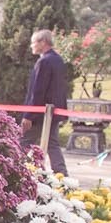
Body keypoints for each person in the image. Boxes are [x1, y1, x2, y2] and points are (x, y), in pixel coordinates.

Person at [22, 28, 69, 175]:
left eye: (34, 42)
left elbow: (38, 91)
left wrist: (28, 115)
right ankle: (61, 175)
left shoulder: (44, 62)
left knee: (22, 143)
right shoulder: (58, 60)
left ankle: (15, 170)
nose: (32, 46)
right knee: (52, 144)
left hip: (41, 113)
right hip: (53, 112)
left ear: (43, 42)